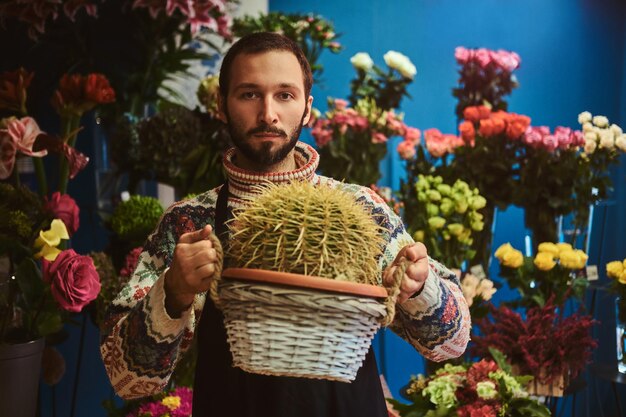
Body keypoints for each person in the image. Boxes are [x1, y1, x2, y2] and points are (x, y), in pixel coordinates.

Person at [100, 32, 470, 417]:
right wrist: (172, 293)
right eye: (248, 94)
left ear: (308, 109)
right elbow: (126, 379)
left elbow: (451, 343)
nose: (268, 114)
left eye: (285, 95)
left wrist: (421, 288)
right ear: (221, 106)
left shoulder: (362, 209)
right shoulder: (190, 222)